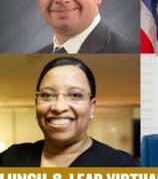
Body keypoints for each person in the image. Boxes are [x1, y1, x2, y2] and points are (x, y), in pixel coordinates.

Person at [0, 57, 139, 167]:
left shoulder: (122, 167)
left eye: (76, 95)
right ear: (36, 103)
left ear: (92, 107)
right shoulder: (10, 159)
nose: (59, 107)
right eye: (48, 95)